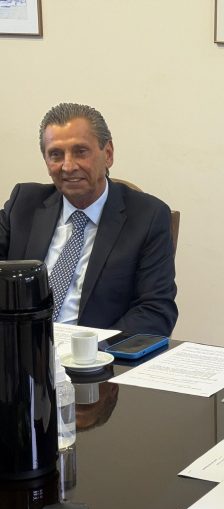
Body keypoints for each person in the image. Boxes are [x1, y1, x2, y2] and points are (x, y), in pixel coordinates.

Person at [0, 103, 177, 335]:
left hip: (96, 352)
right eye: (56, 154)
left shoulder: (148, 217)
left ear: (108, 154)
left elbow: (156, 311)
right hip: (19, 348)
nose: (68, 166)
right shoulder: (24, 203)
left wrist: (90, 348)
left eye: (80, 151)